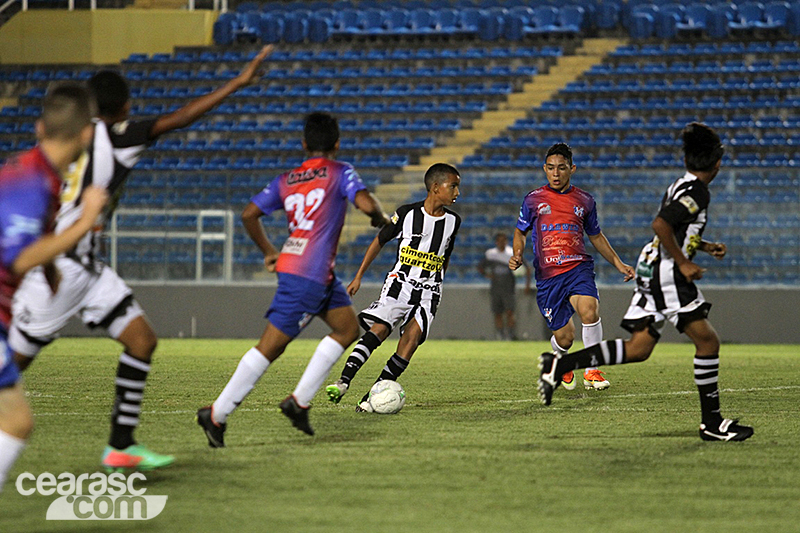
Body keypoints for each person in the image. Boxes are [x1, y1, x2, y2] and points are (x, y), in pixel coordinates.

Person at [9, 45, 274, 471]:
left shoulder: (66, 141)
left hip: (87, 267)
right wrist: (239, 82)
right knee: (12, 364)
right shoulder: (116, 137)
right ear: (124, 107)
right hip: (58, 268)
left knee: (141, 340)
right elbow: (179, 119)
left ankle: (121, 446)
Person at [538, 123, 753, 442]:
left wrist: (703, 246)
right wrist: (684, 262)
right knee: (707, 342)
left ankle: (560, 365)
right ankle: (711, 422)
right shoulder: (698, 191)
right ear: (718, 163)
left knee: (639, 349)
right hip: (667, 272)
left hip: (652, 266)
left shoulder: (682, 184)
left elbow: (677, 227)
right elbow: (662, 224)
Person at [196, 112, 389, 445]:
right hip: (307, 275)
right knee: (270, 347)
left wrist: (269, 251)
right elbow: (364, 202)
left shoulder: (287, 179)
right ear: (337, 143)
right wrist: (378, 216)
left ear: (304, 144)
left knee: (347, 329)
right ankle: (217, 413)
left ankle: (298, 402)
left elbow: (249, 214)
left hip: (310, 270)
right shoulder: (340, 170)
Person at [0, 83, 108, 492]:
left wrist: (50, 273)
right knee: (13, 422)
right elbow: (18, 258)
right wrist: (85, 221)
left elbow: (30, 246)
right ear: (86, 135)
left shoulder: (40, 175)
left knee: (16, 420)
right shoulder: (33, 183)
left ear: (39, 127)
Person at [325, 163, 461, 412]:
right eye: (453, 186)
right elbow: (379, 240)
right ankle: (343, 381)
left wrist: (437, 279)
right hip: (401, 285)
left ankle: (370, 398)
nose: (456, 192)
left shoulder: (454, 221)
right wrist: (359, 276)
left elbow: (445, 254)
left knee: (411, 341)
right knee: (380, 330)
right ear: (435, 187)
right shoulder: (407, 214)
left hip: (429, 291)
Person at [509, 143, 634, 391]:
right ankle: (560, 360)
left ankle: (592, 371)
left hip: (578, 268)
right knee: (565, 338)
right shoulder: (533, 200)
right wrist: (517, 253)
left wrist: (618, 263)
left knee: (590, 311)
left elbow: (596, 235)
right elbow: (520, 231)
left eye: (562, 168)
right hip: (548, 277)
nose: (556, 174)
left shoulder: (585, 201)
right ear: (545, 169)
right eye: (551, 168)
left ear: (572, 169)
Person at [478, 232, 531, 340]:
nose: (502, 243)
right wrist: (487, 275)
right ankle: (500, 335)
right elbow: (480, 266)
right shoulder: (491, 254)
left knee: (510, 311)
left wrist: (527, 285)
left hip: (509, 288)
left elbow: (527, 268)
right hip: (496, 288)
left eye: (504, 240)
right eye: (499, 240)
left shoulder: (511, 253)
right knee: (497, 312)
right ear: (496, 242)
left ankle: (510, 334)